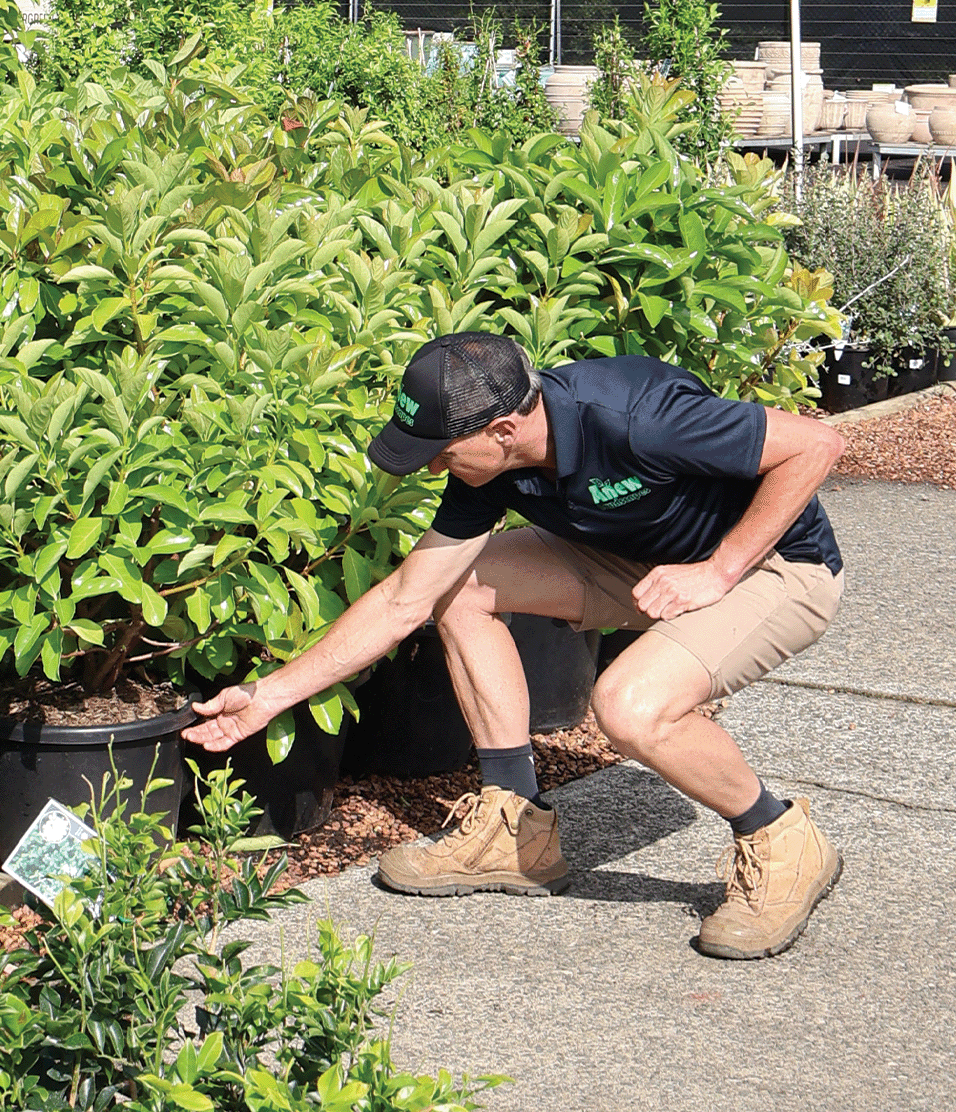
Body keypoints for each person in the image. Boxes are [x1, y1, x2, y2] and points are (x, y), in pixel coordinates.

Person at [182, 332, 847, 960]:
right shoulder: (489, 466)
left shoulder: (636, 417)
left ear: (502, 431)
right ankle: (513, 826)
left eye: (441, 451)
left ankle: (781, 838)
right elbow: (404, 599)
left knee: (629, 706)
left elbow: (817, 444)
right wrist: (267, 696)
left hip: (774, 566)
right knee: (457, 586)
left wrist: (719, 569)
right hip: (637, 564)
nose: (433, 466)